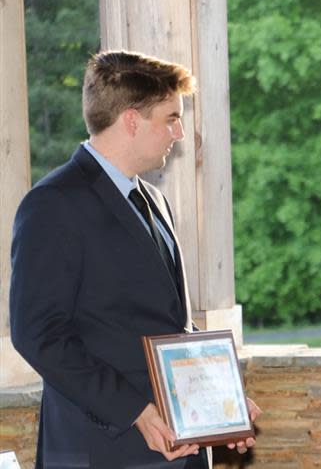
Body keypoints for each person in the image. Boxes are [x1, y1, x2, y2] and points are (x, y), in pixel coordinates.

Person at [10, 50, 260, 469]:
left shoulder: (154, 199)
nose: (178, 134)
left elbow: (166, 322)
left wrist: (222, 397)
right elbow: (39, 334)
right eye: (171, 118)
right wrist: (136, 412)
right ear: (131, 120)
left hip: (180, 449)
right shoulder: (53, 204)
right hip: (105, 449)